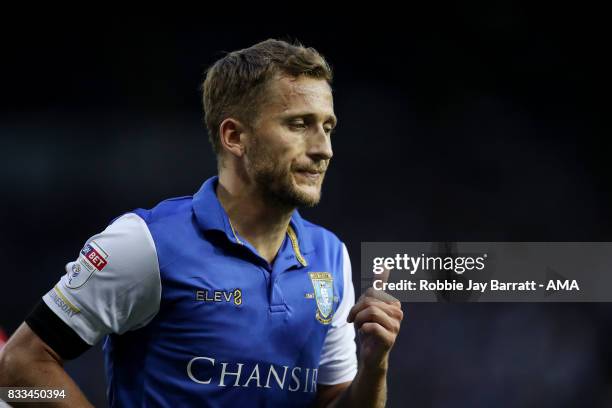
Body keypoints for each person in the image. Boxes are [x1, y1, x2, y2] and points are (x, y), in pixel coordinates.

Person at [0, 39, 403, 407]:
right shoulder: (146, 243)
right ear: (234, 137)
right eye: (299, 125)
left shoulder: (331, 257)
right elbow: (17, 368)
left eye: (328, 127)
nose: (324, 149)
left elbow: (332, 401)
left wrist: (375, 366)